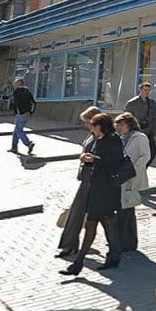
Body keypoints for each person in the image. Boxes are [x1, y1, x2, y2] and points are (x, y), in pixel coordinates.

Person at [59, 113, 125, 276]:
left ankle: (109, 257)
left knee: (103, 224)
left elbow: (114, 162)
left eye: (93, 125)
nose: (91, 128)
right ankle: (81, 262)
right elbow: (97, 160)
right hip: (96, 188)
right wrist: (86, 159)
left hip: (107, 190)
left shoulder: (113, 140)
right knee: (95, 224)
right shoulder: (99, 139)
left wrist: (93, 159)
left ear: (101, 126)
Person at [56, 105, 102, 259]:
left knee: (103, 217)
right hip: (87, 178)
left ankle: (118, 245)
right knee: (77, 213)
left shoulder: (104, 137)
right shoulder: (92, 135)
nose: (86, 125)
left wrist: (90, 159)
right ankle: (69, 245)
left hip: (96, 181)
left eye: (88, 122)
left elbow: (106, 158)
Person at [114, 111, 151, 254]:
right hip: (122, 176)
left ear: (129, 124)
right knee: (126, 210)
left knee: (126, 209)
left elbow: (145, 156)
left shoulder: (139, 137)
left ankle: (125, 242)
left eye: (121, 125)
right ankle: (127, 241)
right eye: (117, 125)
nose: (119, 127)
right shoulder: (121, 138)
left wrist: (133, 169)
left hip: (132, 177)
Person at [125, 82, 156, 165]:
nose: (147, 92)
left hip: (149, 133)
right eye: (145, 90)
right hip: (137, 132)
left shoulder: (152, 103)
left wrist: (154, 131)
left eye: (149, 90)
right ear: (140, 90)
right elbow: (127, 118)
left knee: (152, 152)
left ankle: (144, 167)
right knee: (137, 154)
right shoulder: (132, 103)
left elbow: (154, 118)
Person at [9, 77, 36, 155]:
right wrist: (31, 112)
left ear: (18, 84)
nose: (14, 84)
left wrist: (18, 112)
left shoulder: (17, 92)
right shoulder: (27, 91)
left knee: (19, 130)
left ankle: (28, 143)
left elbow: (17, 104)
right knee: (16, 131)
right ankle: (14, 147)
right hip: (26, 113)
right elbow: (33, 102)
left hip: (20, 114)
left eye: (15, 83)